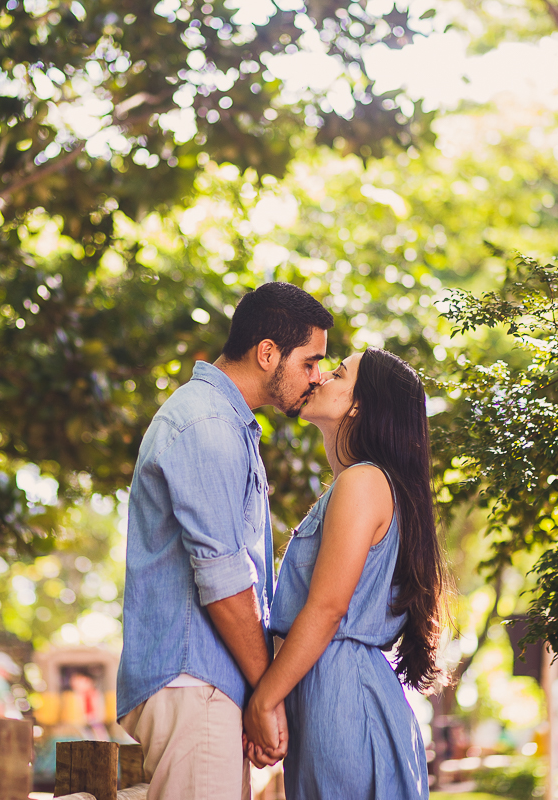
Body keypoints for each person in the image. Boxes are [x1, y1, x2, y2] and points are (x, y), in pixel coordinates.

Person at [117, 282, 335, 800]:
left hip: (205, 687)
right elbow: (223, 580)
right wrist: (268, 694)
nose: (318, 376)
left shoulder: (224, 420)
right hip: (193, 683)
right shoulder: (208, 422)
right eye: (310, 361)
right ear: (267, 354)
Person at [242, 348, 446, 800]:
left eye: (338, 373)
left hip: (343, 698)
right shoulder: (362, 483)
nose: (319, 378)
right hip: (333, 692)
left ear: (360, 405)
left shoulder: (364, 481)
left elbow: (328, 608)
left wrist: (263, 701)